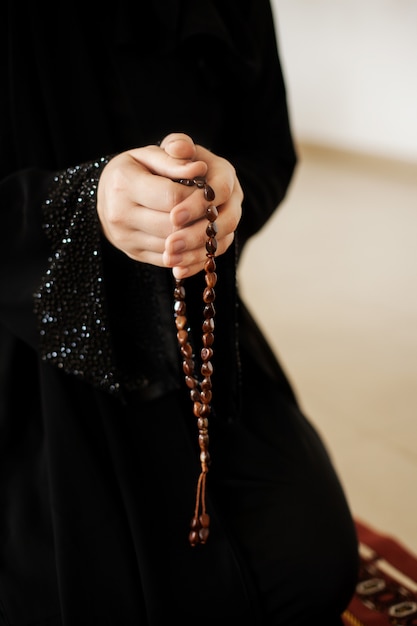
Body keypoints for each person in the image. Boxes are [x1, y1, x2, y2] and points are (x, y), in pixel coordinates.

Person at [0, 2, 359, 624]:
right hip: (22, 330)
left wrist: (223, 197)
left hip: (193, 324)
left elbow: (268, 147)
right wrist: (76, 207)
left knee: (311, 566)